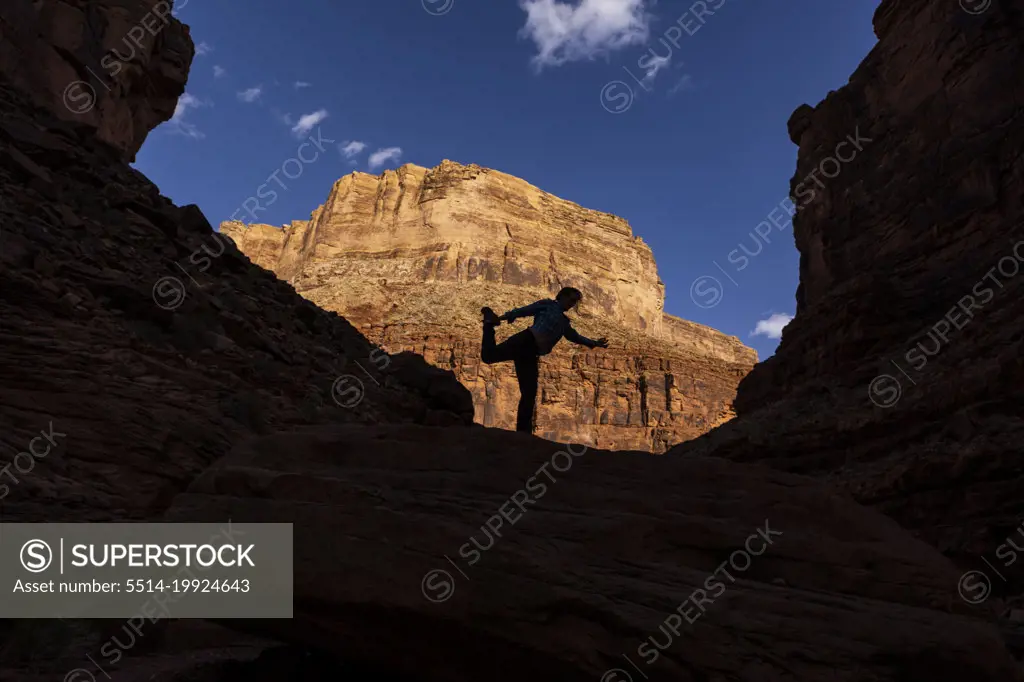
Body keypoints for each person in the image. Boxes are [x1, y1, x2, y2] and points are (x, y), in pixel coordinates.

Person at [480, 287, 609, 434]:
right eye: (571, 300)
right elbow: (526, 310)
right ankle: (489, 324)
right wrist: (504, 317)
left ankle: (523, 433)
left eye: (575, 302)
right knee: (489, 357)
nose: (572, 304)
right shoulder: (548, 305)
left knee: (529, 392)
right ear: (562, 296)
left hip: (531, 352)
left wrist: (594, 343)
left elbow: (574, 336)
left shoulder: (564, 322)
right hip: (525, 340)